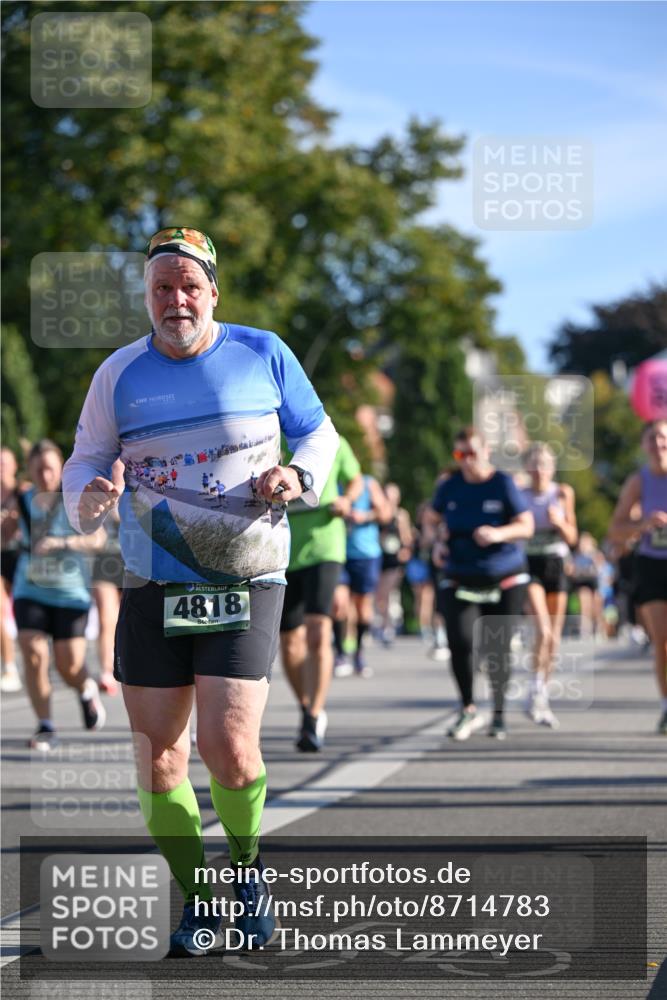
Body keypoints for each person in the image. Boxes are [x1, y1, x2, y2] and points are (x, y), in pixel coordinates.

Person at [62, 226, 338, 956]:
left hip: (246, 574)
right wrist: (86, 496)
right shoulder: (118, 374)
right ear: (147, 297)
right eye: (162, 287)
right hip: (155, 579)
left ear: (213, 291)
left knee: (228, 744)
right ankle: (197, 896)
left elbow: (318, 434)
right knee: (158, 759)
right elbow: (87, 454)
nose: (175, 298)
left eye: (189, 285)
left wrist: (298, 476)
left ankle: (246, 873)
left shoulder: (263, 352)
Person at [430, 427, 534, 741]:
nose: (466, 461)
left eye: (471, 453)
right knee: (460, 641)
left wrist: (498, 534)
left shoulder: (502, 483)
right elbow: (431, 520)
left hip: (504, 575)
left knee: (497, 646)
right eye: (460, 454)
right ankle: (468, 708)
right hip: (460, 572)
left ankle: (499, 713)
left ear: (486, 451)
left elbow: (526, 525)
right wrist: (436, 541)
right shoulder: (450, 486)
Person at [14, 440, 106, 749]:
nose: (44, 475)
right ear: (30, 470)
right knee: (33, 651)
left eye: (50, 468)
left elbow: (98, 540)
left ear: (61, 468)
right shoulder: (22, 499)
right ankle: (45, 725)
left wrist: (61, 544)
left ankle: (85, 689)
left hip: (70, 593)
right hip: (30, 588)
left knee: (69, 667)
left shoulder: (74, 500)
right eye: (37, 469)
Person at [280, 436, 362, 751]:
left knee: (317, 633)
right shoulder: (272, 440)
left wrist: (348, 500)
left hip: (325, 546)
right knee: (290, 644)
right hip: (284, 550)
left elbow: (354, 479)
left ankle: (313, 716)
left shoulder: (332, 441)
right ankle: (306, 705)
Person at [610, 419, 667, 734]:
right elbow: (615, 528)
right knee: (663, 641)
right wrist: (643, 525)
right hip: (652, 564)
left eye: (663, 439)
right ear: (644, 445)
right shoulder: (639, 481)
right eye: (652, 439)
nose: (658, 445)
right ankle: (666, 705)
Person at [520, 443, 578, 729]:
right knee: (541, 628)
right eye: (534, 464)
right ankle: (533, 686)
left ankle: (541, 694)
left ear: (552, 468)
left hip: (556, 564)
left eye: (544, 464)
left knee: (553, 636)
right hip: (529, 565)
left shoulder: (562, 493)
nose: (539, 470)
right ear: (526, 467)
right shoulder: (520, 495)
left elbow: (573, 537)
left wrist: (560, 523)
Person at [333, 473, 391, 677]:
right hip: (338, 552)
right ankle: (339, 654)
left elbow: (385, 513)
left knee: (362, 606)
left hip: (366, 554)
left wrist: (364, 516)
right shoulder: (332, 482)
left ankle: (358, 653)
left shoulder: (369, 483)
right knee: (339, 603)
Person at [91, 459, 126, 696]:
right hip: (105, 561)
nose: (114, 469)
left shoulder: (138, 490)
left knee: (131, 620)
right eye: (111, 465)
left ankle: (130, 664)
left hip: (132, 562)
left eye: (119, 466)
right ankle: (106, 670)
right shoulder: (98, 490)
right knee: (106, 617)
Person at [375, 483, 413, 646]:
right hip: (378, 556)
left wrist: (405, 551)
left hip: (394, 559)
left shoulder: (401, 515)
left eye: (393, 497)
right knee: (379, 595)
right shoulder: (378, 512)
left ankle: (387, 626)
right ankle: (381, 623)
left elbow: (407, 538)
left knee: (388, 592)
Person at [1, 446, 23, 692]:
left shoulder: (23, 493)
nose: (1, 468)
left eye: (5, 463)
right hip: (0, 557)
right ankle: (9, 666)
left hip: (22, 558)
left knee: (26, 614)